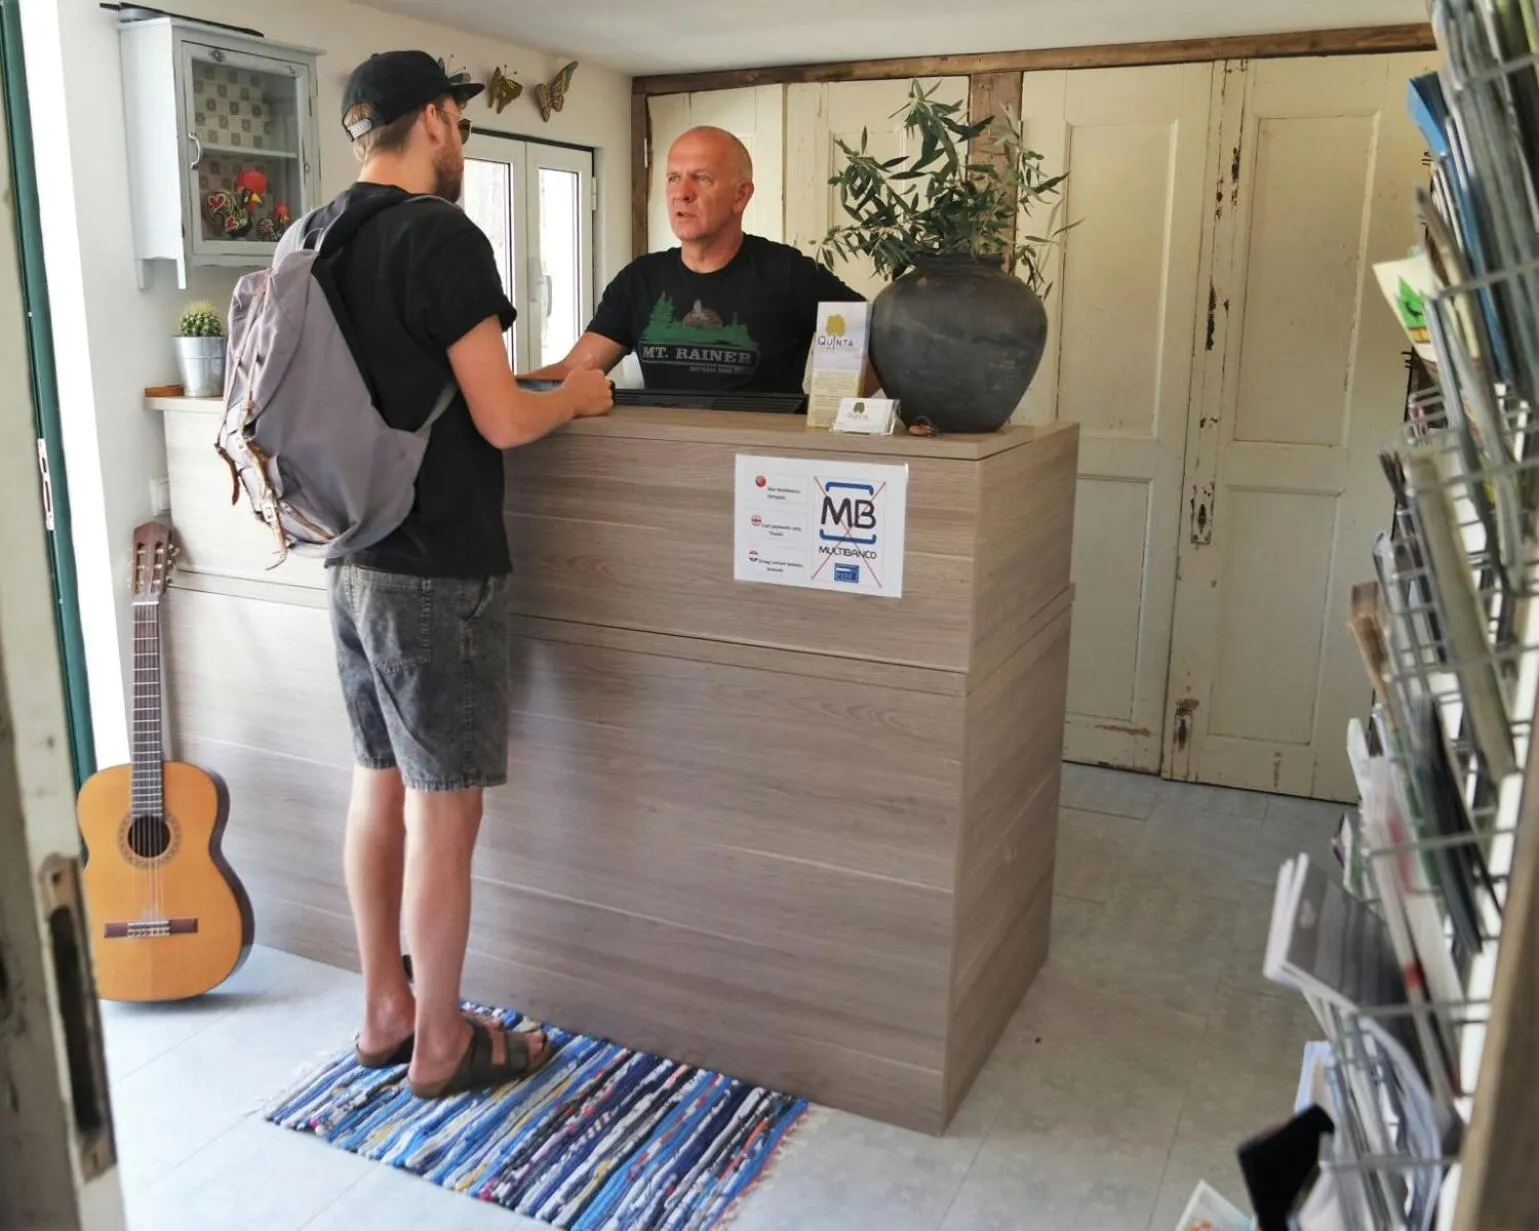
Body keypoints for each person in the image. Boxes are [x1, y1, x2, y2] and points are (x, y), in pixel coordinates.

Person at [315, 50, 612, 1100]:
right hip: (438, 564)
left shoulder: (322, 232)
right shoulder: (439, 234)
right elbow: (503, 417)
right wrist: (577, 395)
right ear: (436, 121)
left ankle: (383, 1009)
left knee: (377, 791)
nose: (463, 142)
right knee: (448, 814)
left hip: (350, 553)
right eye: (462, 123)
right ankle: (442, 1043)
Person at [523, 126, 864, 395]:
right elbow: (572, 372)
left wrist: (838, 419)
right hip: (669, 464)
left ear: (741, 195)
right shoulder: (639, 280)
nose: (681, 192)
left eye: (701, 178)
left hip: (764, 472)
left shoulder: (788, 274)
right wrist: (495, 391)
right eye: (673, 177)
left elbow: (872, 336)